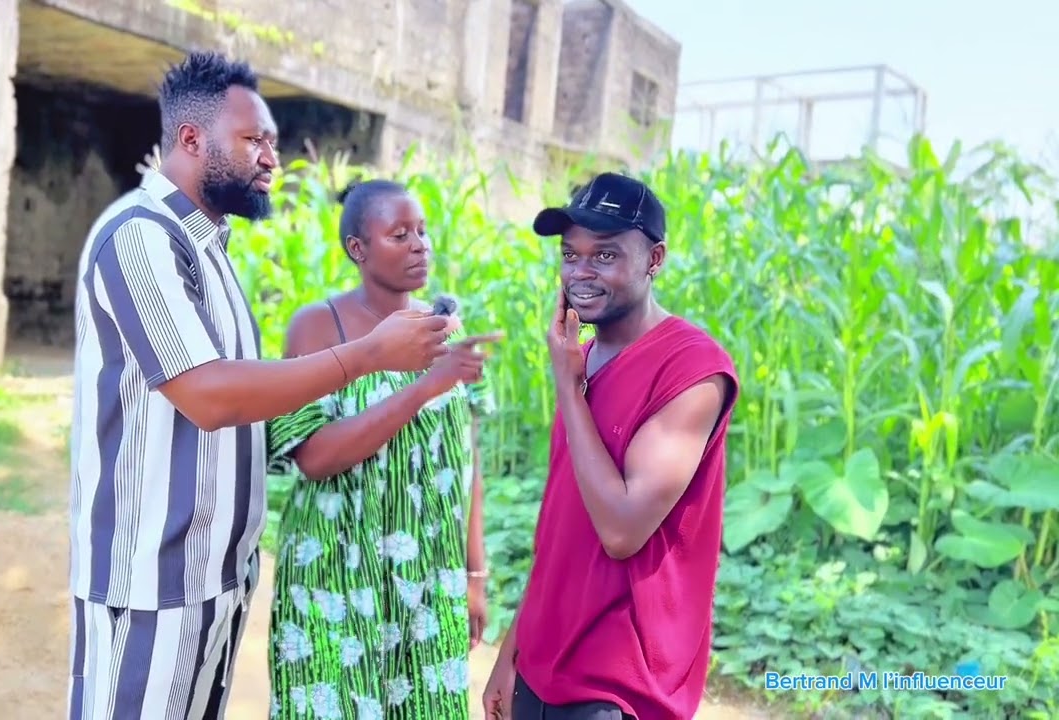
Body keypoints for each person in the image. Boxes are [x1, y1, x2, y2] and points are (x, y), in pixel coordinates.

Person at [66, 53, 457, 720]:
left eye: (271, 141)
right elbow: (212, 396)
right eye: (255, 140)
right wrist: (367, 355)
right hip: (150, 582)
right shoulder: (140, 238)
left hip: (214, 578)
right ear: (191, 140)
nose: (271, 158)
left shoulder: (208, 251)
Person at [482, 172, 740, 720]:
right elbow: (562, 528)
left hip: (619, 686)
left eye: (604, 256)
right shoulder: (585, 357)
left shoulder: (691, 368)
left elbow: (621, 530)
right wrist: (513, 651)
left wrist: (567, 388)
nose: (580, 272)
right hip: (544, 667)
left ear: (654, 260)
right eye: (570, 254)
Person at [265, 179, 502, 720]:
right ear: (358, 249)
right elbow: (315, 457)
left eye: (422, 231)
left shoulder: (447, 329)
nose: (420, 244)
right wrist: (424, 387)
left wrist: (474, 577)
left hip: (426, 581)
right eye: (400, 234)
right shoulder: (317, 327)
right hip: (335, 575)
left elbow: (467, 466)